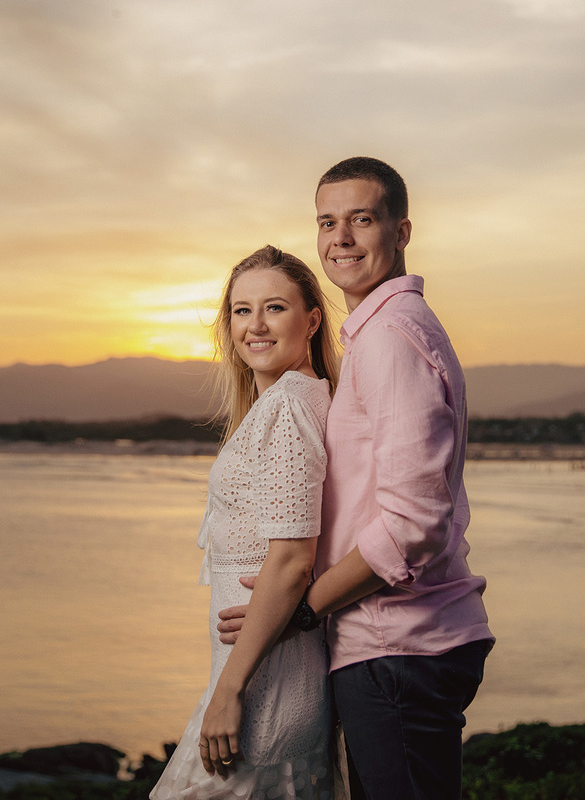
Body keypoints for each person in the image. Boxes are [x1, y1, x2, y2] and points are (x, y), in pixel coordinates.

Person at [218, 158, 494, 800]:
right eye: (327, 222)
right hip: (390, 646)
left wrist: (299, 610)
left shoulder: (391, 339)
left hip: (399, 645)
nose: (340, 238)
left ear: (401, 231)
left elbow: (411, 528)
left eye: (361, 219)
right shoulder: (379, 334)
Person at [150, 245, 340, 800]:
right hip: (260, 675)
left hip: (262, 687)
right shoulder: (287, 401)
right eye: (240, 310)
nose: (254, 325)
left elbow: (291, 558)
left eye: (274, 308)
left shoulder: (288, 407)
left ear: (311, 319)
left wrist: (228, 691)